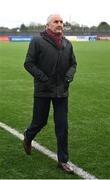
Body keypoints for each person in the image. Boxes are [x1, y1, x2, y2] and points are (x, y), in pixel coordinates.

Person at [23, 14, 77, 173]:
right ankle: (28, 136)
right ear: (48, 25)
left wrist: (69, 76)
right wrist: (43, 78)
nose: (59, 24)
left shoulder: (67, 44)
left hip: (62, 91)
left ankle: (63, 161)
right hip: (43, 90)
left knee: (62, 126)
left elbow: (73, 63)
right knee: (39, 121)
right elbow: (28, 63)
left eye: (61, 22)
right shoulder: (37, 41)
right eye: (56, 21)